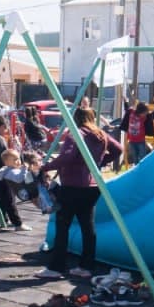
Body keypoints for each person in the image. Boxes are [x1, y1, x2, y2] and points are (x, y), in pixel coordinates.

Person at [37, 107, 122, 279]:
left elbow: (67, 156)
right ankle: (86, 266)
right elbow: (119, 149)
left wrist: (45, 167)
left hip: (72, 186)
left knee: (63, 225)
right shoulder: (100, 134)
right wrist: (98, 163)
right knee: (88, 227)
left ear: (74, 118)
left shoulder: (75, 134)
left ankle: (57, 267)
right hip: (92, 187)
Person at [0, 116, 30, 232]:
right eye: (4, 127)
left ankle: (4, 219)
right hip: (2, 172)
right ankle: (18, 224)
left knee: (0, 198)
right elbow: (6, 157)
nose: (5, 130)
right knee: (9, 198)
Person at [0, 149, 54, 215]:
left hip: (24, 190)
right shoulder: (11, 172)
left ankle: (44, 206)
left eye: (18, 159)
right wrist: (24, 169)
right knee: (40, 186)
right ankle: (48, 206)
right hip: (24, 192)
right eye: (15, 160)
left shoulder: (13, 169)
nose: (18, 161)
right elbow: (19, 179)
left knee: (37, 182)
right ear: (6, 163)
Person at [119, 101, 154, 167]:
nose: (145, 114)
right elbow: (127, 109)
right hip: (132, 141)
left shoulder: (144, 117)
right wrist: (126, 101)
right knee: (135, 157)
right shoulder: (131, 112)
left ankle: (143, 168)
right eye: (144, 113)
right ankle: (137, 168)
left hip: (141, 141)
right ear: (139, 112)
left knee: (142, 156)